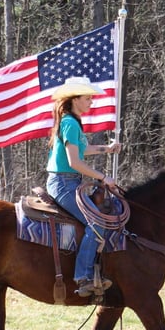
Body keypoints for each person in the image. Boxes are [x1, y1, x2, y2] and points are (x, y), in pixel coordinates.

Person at [46, 76, 122, 298]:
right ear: (74, 99)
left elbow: (83, 150)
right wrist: (103, 177)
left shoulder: (71, 122)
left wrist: (106, 150)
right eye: (87, 98)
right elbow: (74, 162)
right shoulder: (69, 122)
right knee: (97, 222)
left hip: (69, 181)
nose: (91, 102)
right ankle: (84, 277)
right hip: (63, 183)